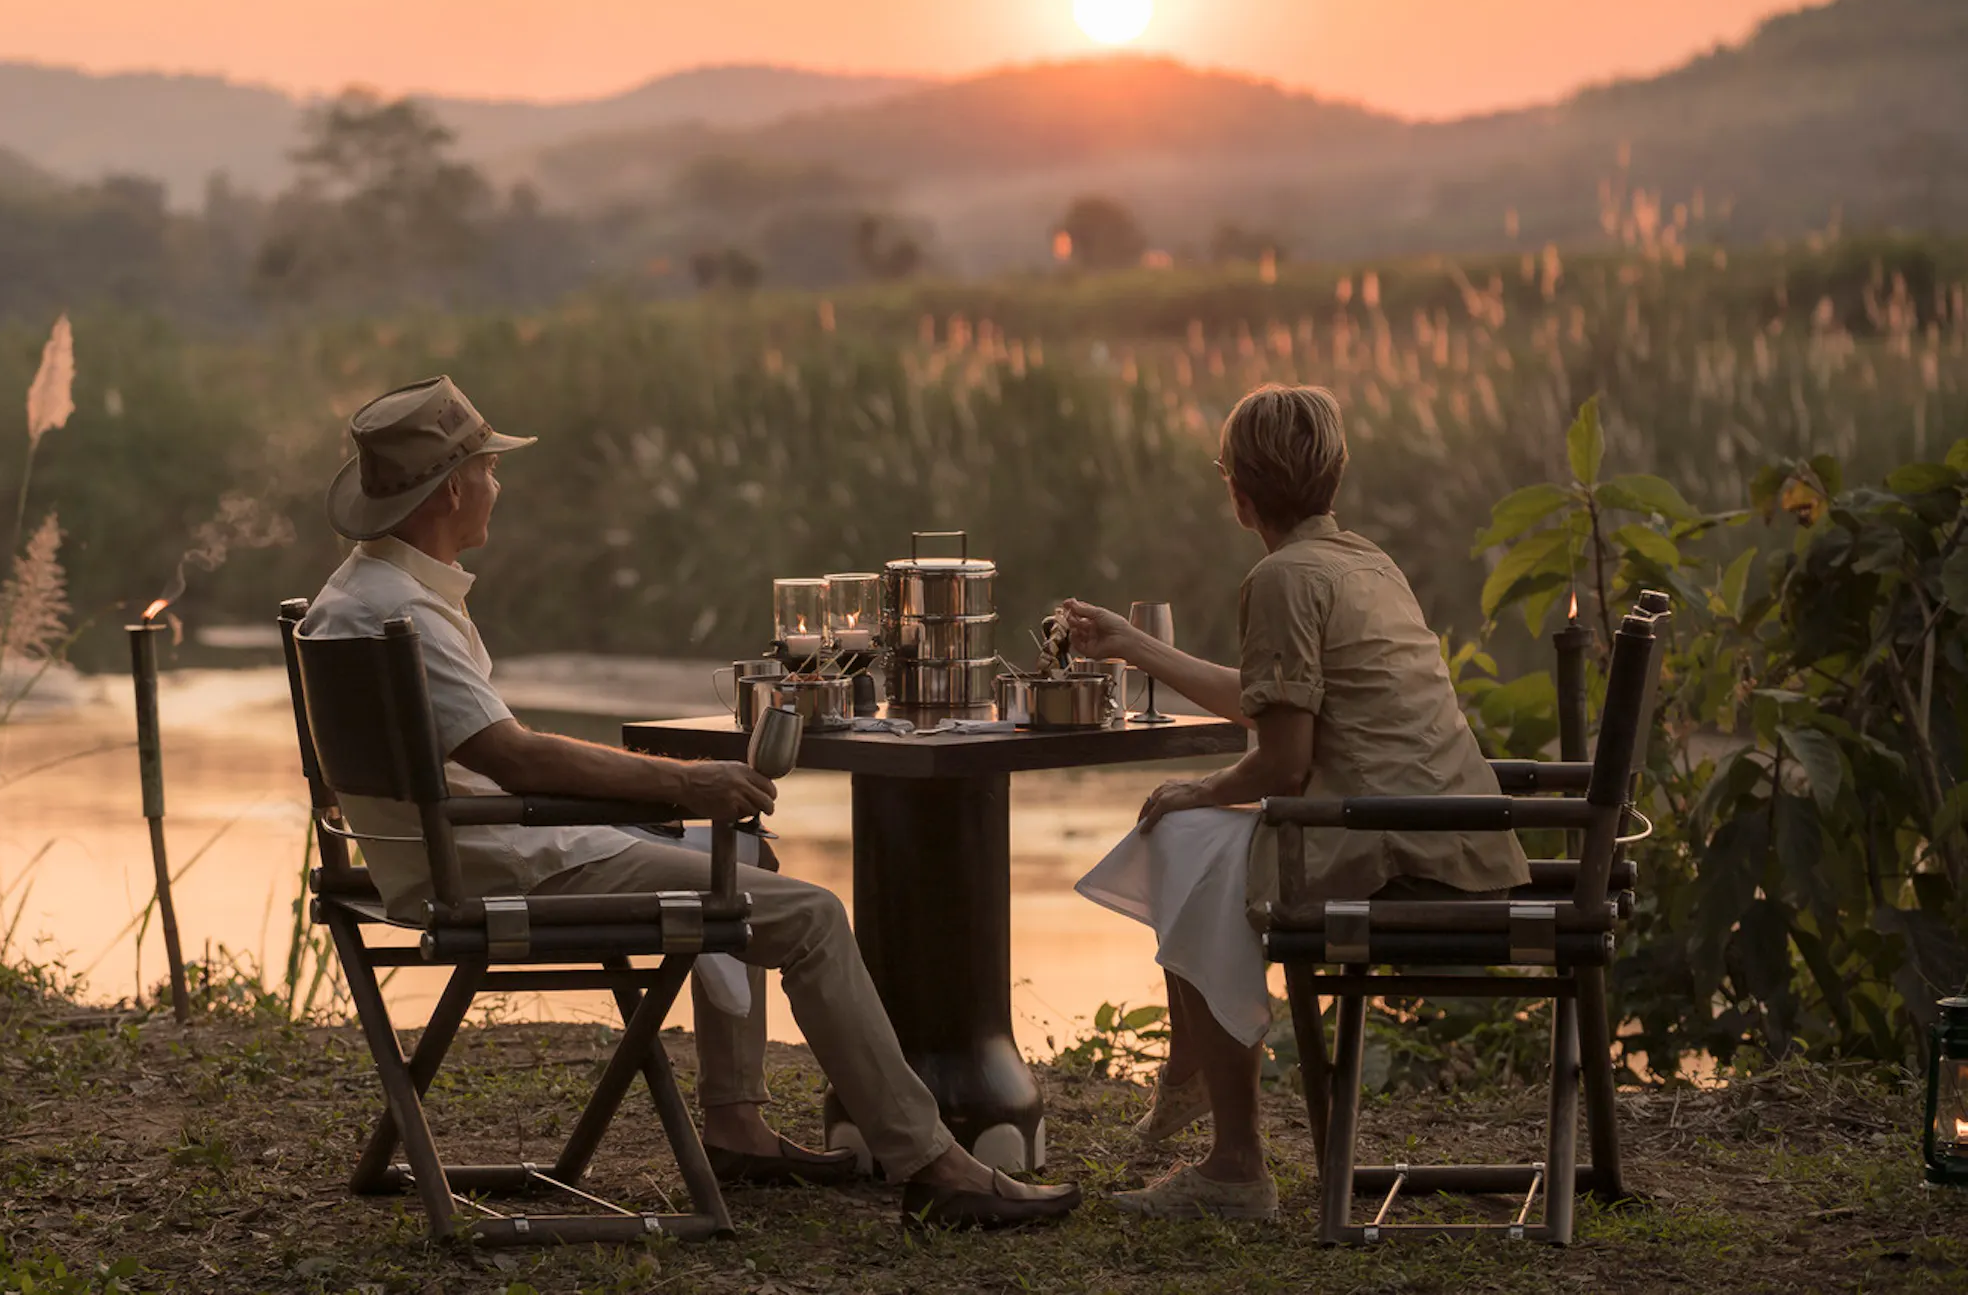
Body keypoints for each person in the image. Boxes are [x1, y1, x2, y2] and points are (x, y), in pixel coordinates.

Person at [299, 375, 1080, 1230]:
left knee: (741, 857)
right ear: (452, 487)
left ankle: (736, 1124)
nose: (497, 485)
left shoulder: (351, 596)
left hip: (429, 857)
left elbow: (461, 762)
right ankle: (935, 1163)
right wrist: (686, 781)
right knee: (812, 916)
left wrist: (657, 795)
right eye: (488, 468)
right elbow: (515, 757)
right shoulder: (402, 613)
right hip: (491, 866)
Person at [1061, 383, 1529, 1221]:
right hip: (1458, 841)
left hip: (1392, 854)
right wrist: (1134, 645)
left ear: (1238, 494)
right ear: (1335, 476)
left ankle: (1230, 1152)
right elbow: (1273, 699)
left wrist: (1199, 788)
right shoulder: (1363, 562)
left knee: (1188, 838)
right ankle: (1192, 1078)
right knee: (1196, 835)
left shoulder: (1280, 578)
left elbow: (1282, 760)